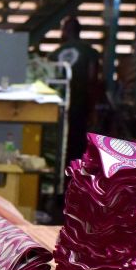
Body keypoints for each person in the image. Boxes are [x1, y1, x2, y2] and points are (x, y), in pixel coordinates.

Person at [54, 15, 102, 164]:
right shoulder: (89, 52)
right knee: (78, 143)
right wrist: (93, 109)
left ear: (64, 31)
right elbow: (93, 80)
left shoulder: (55, 54)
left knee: (61, 141)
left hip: (59, 104)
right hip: (81, 104)